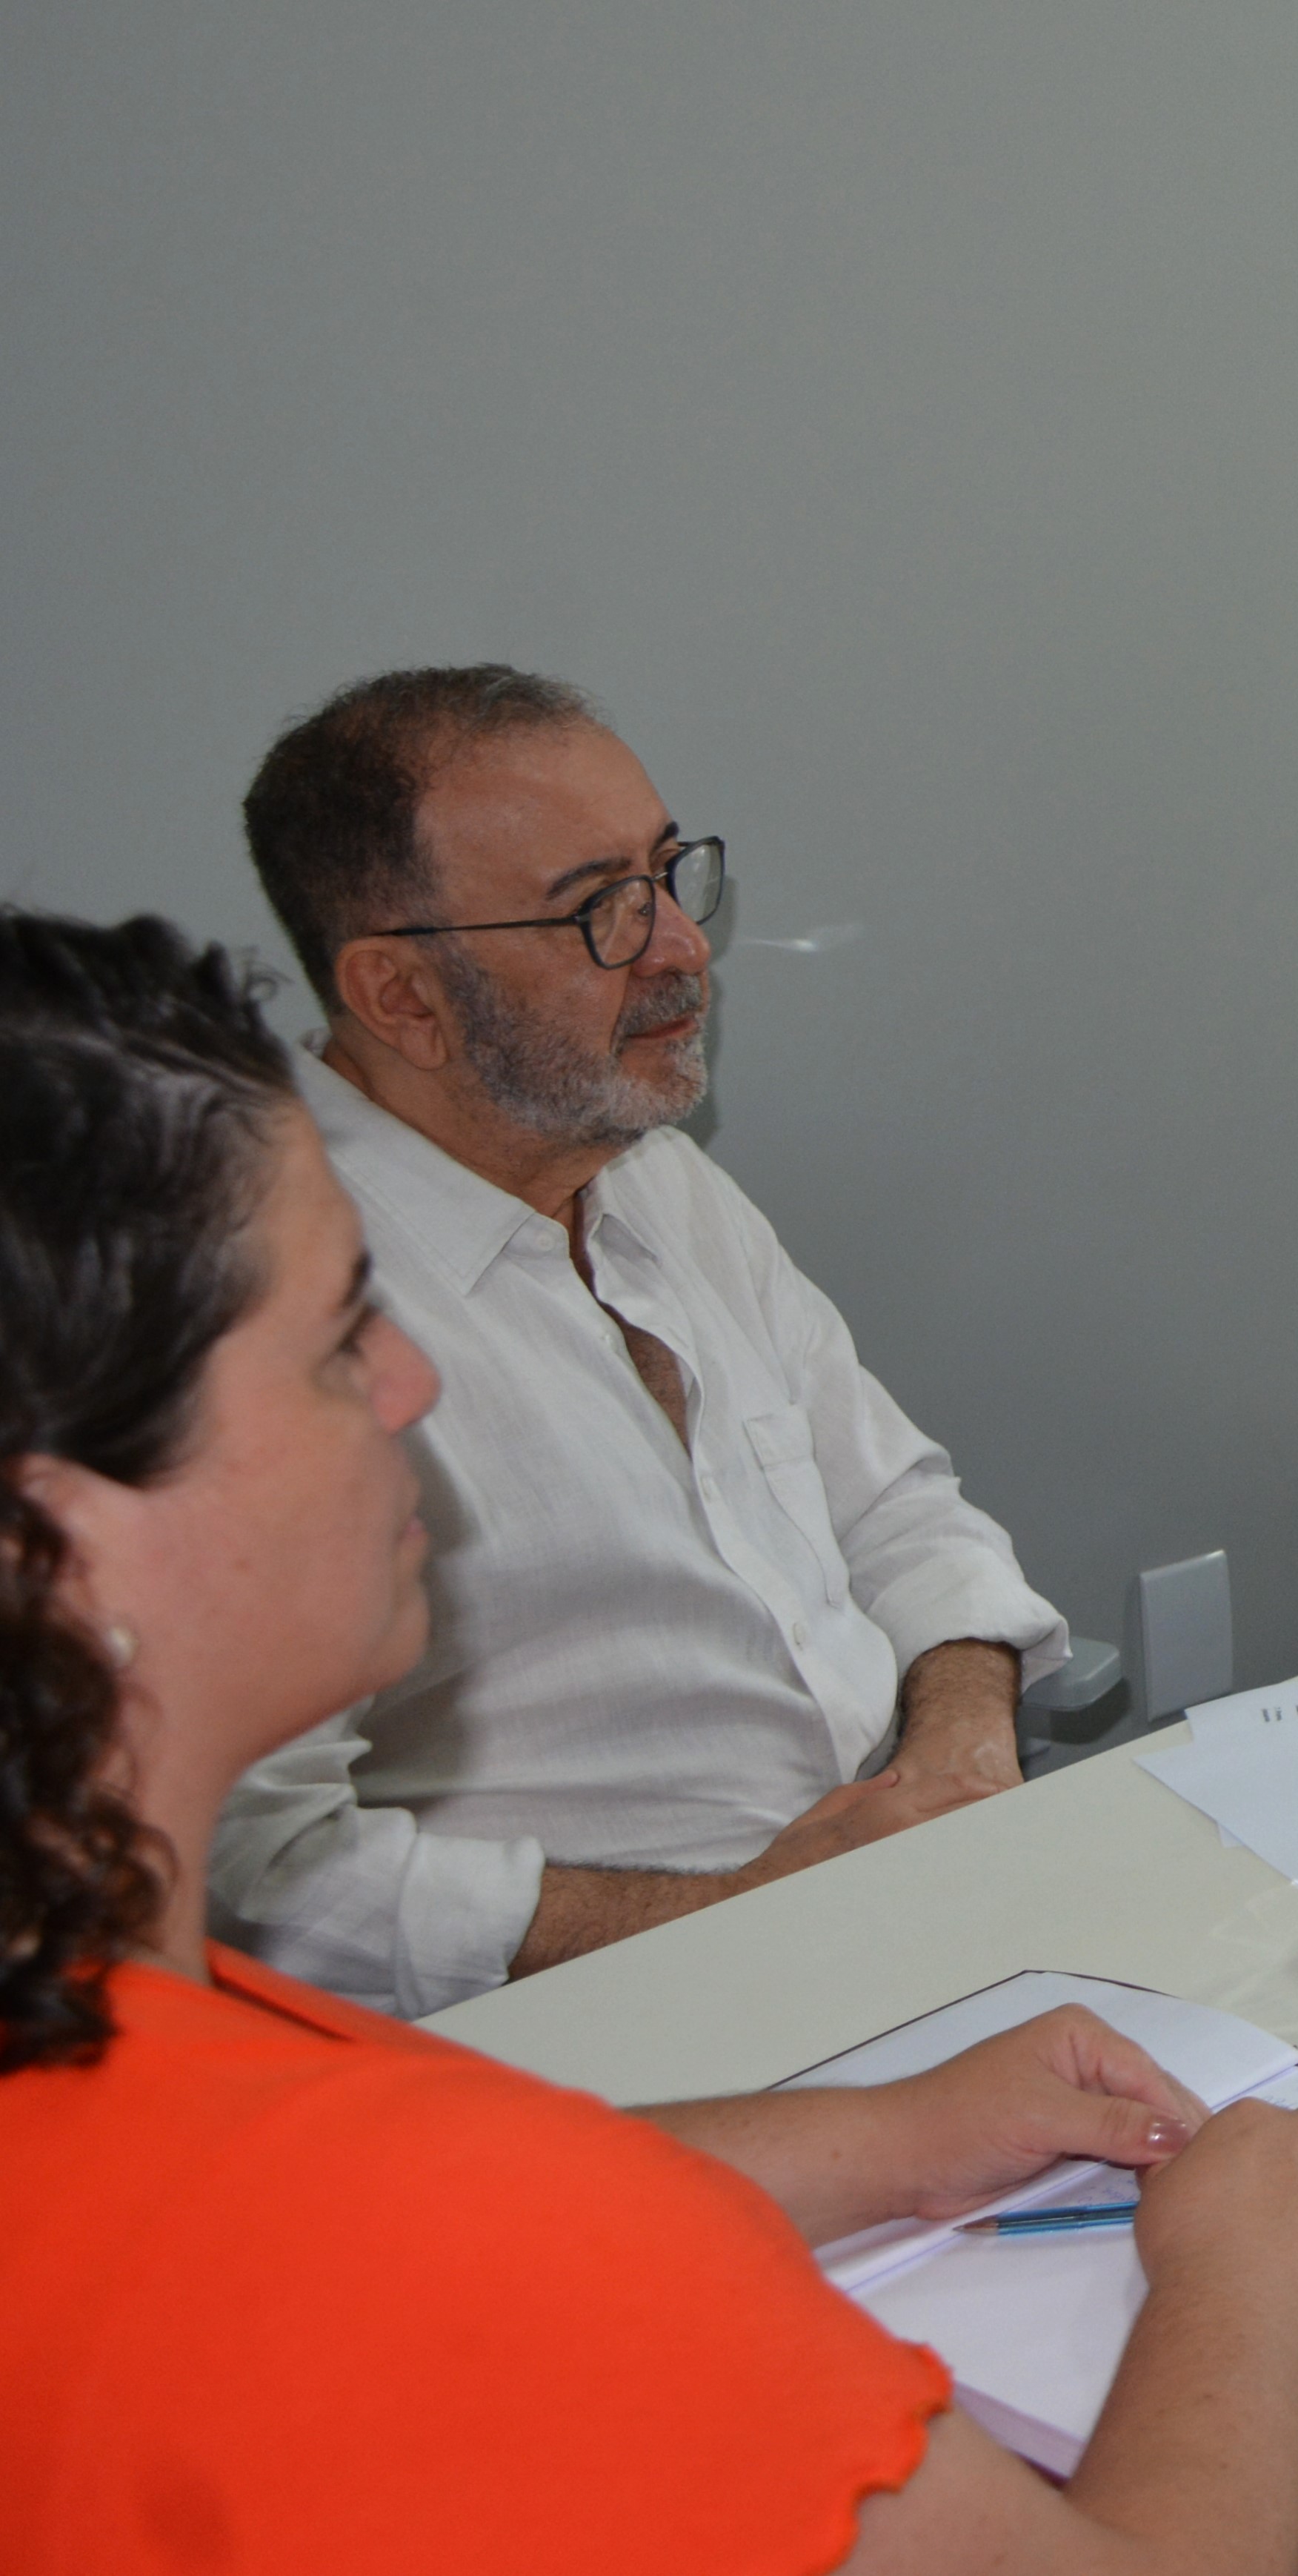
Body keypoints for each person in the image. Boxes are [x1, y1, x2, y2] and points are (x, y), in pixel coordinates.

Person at [0, 909, 1298, 2572]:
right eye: (331, 1345)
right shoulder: (481, 2258)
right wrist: (1244, 2276)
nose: (406, 1386)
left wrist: (887, 2138)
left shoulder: (126, 2031)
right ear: (58, 1538)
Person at [201, 667, 1062, 2019]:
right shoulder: (252, 1285)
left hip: (896, 1918)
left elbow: (901, 1511)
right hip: (584, 2024)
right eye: (598, 908)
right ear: (401, 996)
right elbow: (263, 1870)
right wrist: (737, 1917)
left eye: (668, 873)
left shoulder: (646, 1168)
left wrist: (960, 1762)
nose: (680, 944)